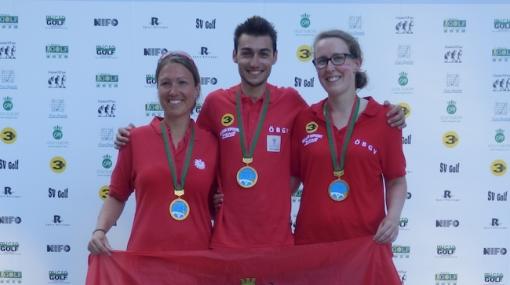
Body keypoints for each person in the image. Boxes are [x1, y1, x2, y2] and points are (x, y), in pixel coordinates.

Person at [114, 16, 406, 249]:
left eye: (263, 54)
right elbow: (188, 147)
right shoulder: (216, 104)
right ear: (234, 56)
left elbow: (337, 125)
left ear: (276, 57)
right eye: (247, 53)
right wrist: (133, 137)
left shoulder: (294, 104)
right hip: (224, 242)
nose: (255, 63)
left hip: (280, 242)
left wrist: (388, 113)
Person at [291, 29, 406, 283]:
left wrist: (393, 216)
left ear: (357, 62)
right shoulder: (303, 119)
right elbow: (291, 179)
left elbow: (396, 179)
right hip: (312, 249)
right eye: (322, 61)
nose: (330, 68)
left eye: (338, 58)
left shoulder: (385, 119)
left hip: (365, 248)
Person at [87, 52, 218, 254]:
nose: (173, 91)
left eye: (182, 83)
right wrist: (99, 230)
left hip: (198, 264)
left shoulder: (212, 143)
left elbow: (217, 203)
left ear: (196, 89)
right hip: (145, 263)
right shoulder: (135, 139)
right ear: (157, 88)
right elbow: (116, 195)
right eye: (165, 83)